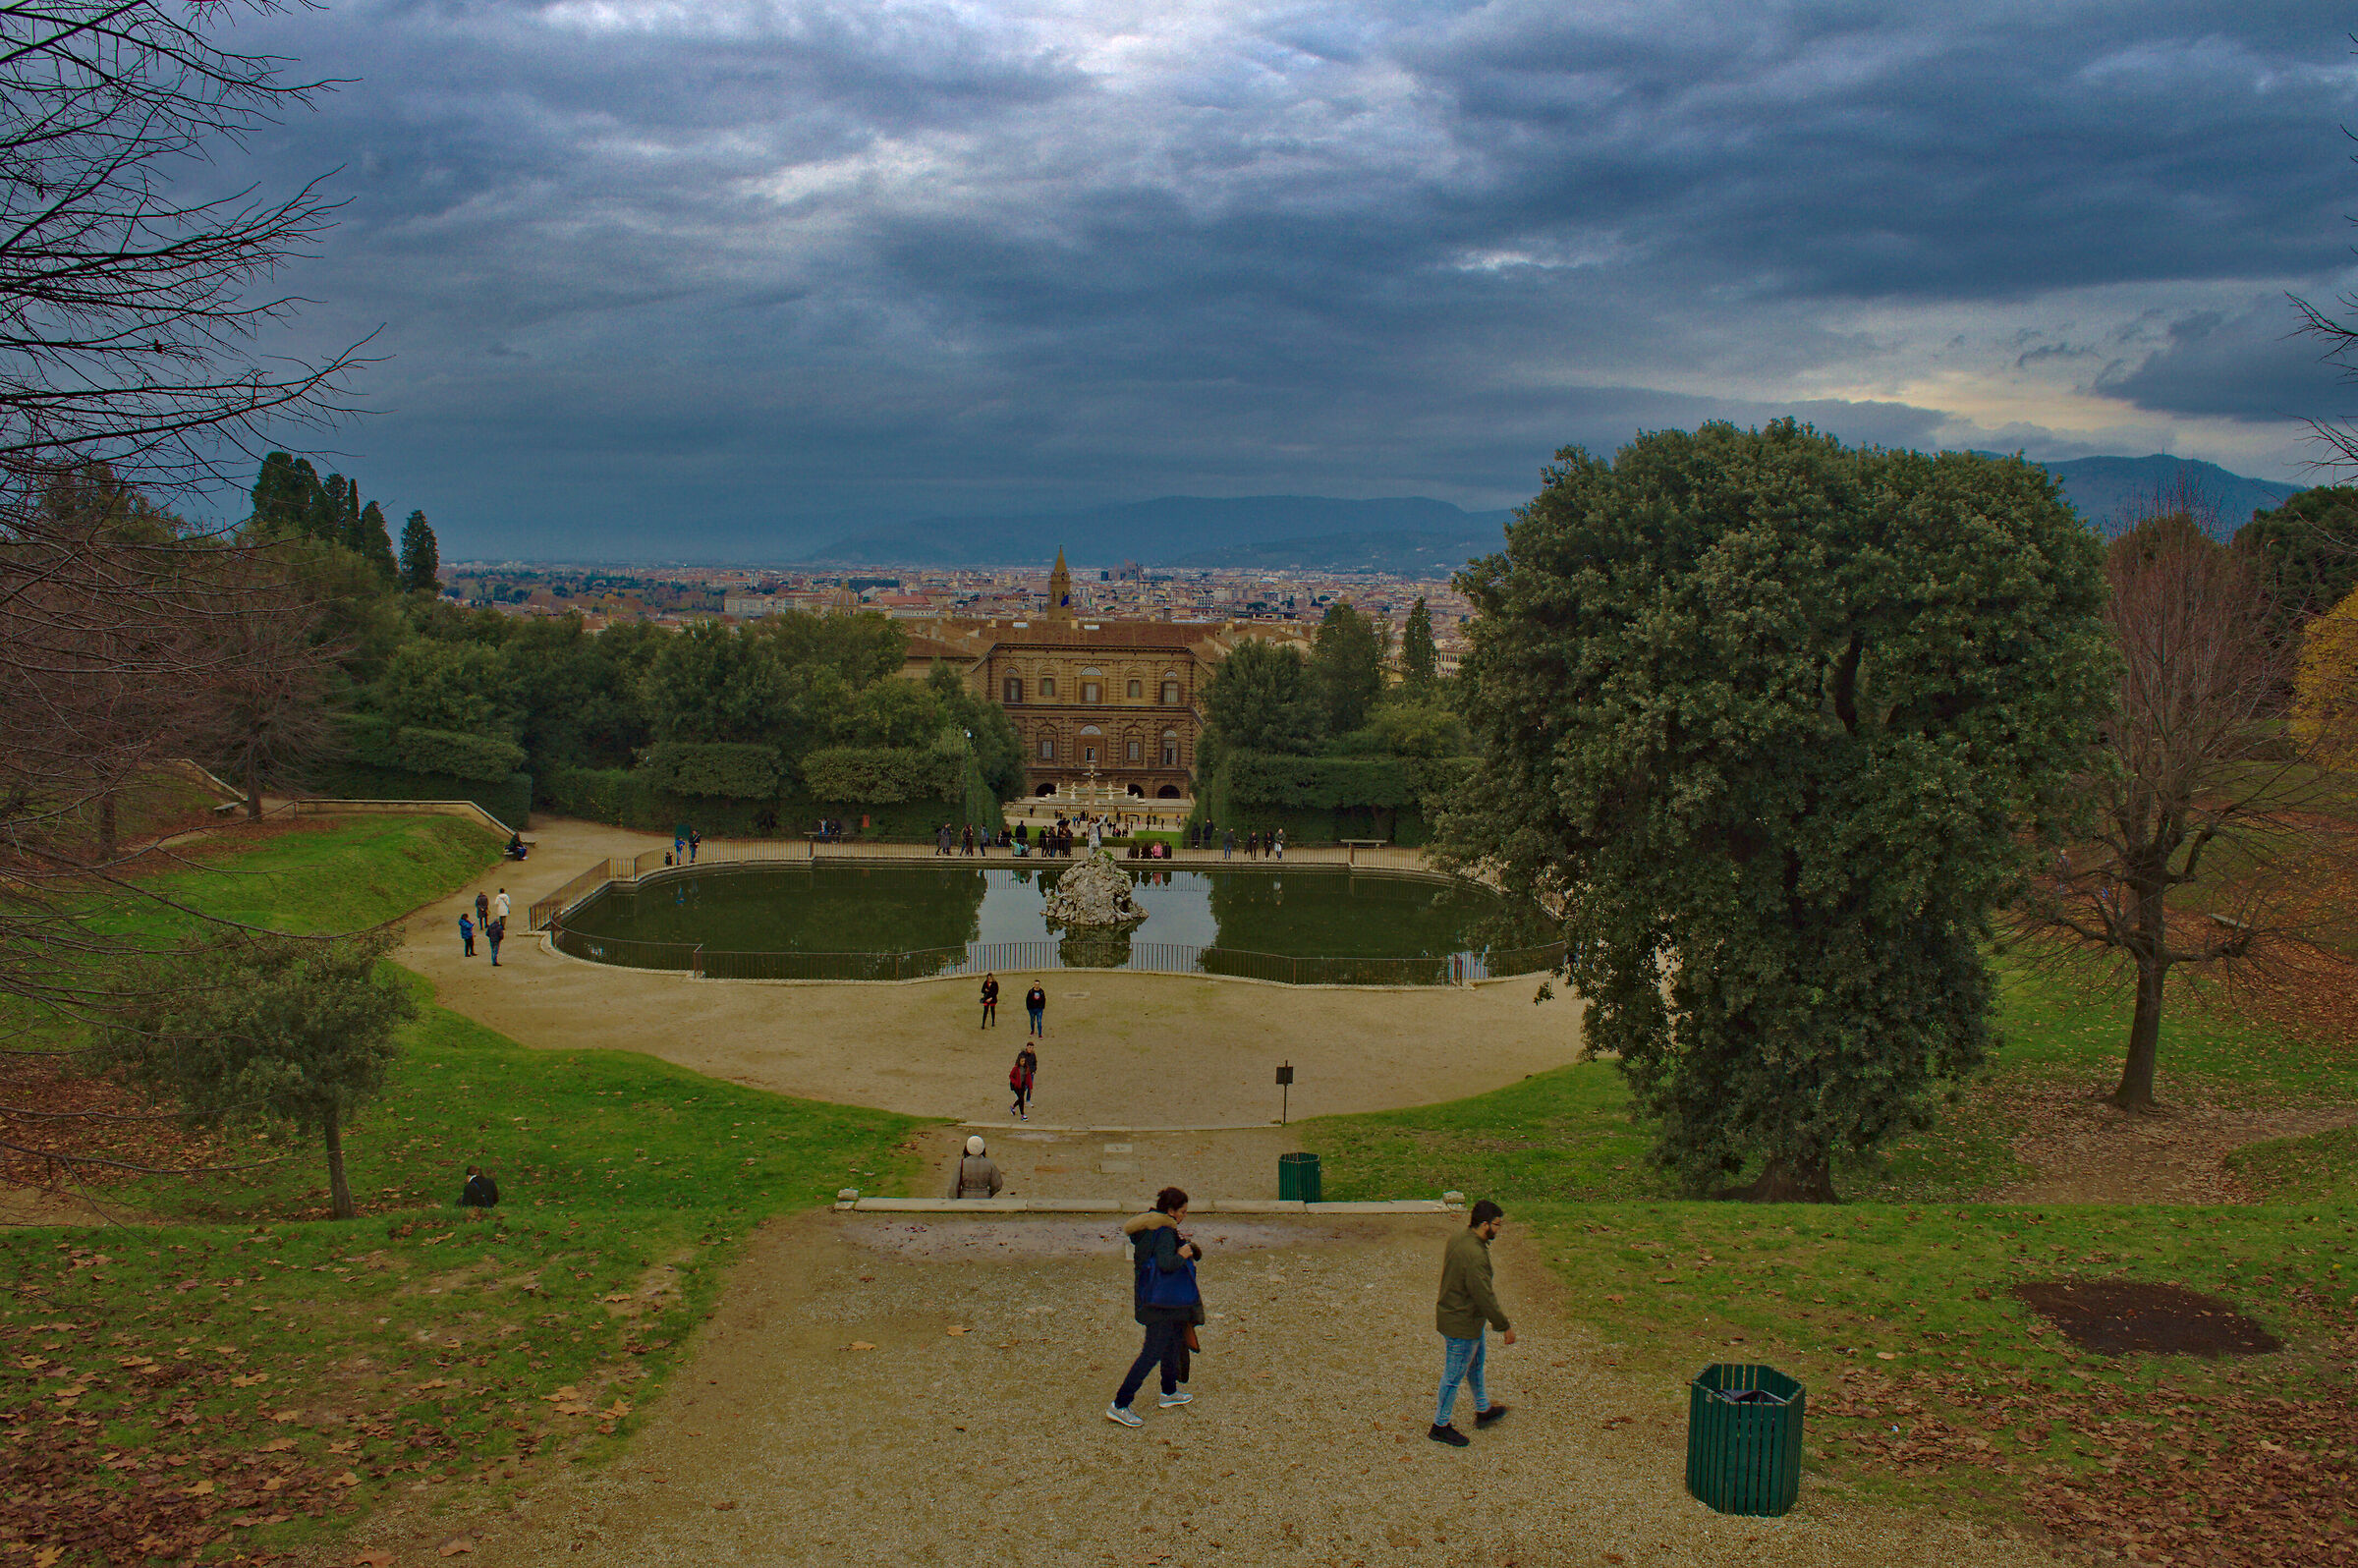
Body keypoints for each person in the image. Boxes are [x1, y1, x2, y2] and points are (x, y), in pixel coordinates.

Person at [1107, 1186, 1202, 1425]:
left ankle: (1168, 1392)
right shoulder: (1165, 1232)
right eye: (1182, 1212)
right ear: (1170, 1211)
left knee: (1170, 1344)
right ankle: (1120, 1404)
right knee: (1151, 1353)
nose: (1184, 1216)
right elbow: (1167, 1264)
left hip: (1151, 1297)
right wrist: (1183, 1253)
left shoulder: (1148, 1228)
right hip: (1161, 1302)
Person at [1431, 1200, 1515, 1446]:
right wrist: (1504, 1325)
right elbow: (1484, 1296)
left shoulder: (1460, 1238)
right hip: (1462, 1324)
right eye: (1497, 1225)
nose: (1499, 1229)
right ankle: (1440, 1425)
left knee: (1475, 1365)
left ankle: (1482, 1409)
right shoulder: (1476, 1255)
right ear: (1485, 1224)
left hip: (1463, 1318)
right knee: (1454, 1374)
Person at [947, 1135, 1003, 1199]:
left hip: (965, 1199)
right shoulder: (989, 1164)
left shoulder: (962, 1164)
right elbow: (997, 1185)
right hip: (984, 1199)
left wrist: (954, 1200)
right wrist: (988, 1193)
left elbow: (953, 1187)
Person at [1009, 1043, 1037, 1120]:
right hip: (1016, 1086)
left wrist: (1030, 1088)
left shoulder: (1026, 1069)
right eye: (1022, 1061)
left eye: (1024, 1061)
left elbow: (1028, 1079)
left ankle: (1013, 1107)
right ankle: (1022, 1114)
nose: (1023, 1062)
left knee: (1021, 1099)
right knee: (1021, 1099)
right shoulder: (1016, 1068)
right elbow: (1011, 1076)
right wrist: (1014, 1082)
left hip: (1022, 1086)